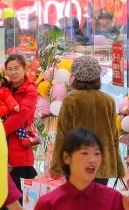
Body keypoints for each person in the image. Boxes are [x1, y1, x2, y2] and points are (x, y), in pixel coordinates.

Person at [49, 55, 124, 185]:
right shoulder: (108, 101)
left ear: (75, 76)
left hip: (77, 163)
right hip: (101, 162)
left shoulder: (71, 100)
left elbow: (62, 134)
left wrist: (57, 166)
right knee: (99, 196)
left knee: (78, 197)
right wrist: (117, 165)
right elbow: (114, 135)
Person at [1, 54, 40, 210]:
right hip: (5, 147)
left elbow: (21, 116)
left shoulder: (30, 90)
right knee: (14, 191)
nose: (13, 72)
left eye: (17, 68)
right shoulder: (5, 87)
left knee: (13, 192)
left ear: (25, 69)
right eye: (10, 69)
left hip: (19, 145)